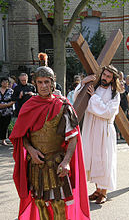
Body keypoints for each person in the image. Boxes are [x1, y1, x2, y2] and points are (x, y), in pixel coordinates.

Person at [9, 66, 90, 220]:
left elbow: (73, 137)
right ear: (35, 83)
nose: (44, 85)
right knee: (39, 202)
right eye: (40, 82)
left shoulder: (63, 105)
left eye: (47, 82)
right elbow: (22, 136)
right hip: (35, 164)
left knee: (58, 204)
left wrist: (66, 162)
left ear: (53, 83)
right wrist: (31, 150)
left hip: (56, 163)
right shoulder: (28, 106)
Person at [74, 65, 120, 204]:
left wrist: (93, 98)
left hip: (105, 131)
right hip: (91, 128)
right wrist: (83, 83)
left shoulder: (115, 93)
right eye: (104, 75)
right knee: (93, 159)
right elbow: (78, 98)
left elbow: (108, 113)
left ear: (113, 79)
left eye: (108, 76)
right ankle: (97, 190)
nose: (105, 78)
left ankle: (104, 192)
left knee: (105, 160)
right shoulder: (95, 87)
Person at [0, 77, 14, 145]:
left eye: (6, 81)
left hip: (7, 111)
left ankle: (3, 140)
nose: (5, 83)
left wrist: (6, 105)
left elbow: (13, 100)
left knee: (5, 125)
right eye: (3, 81)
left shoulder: (11, 91)